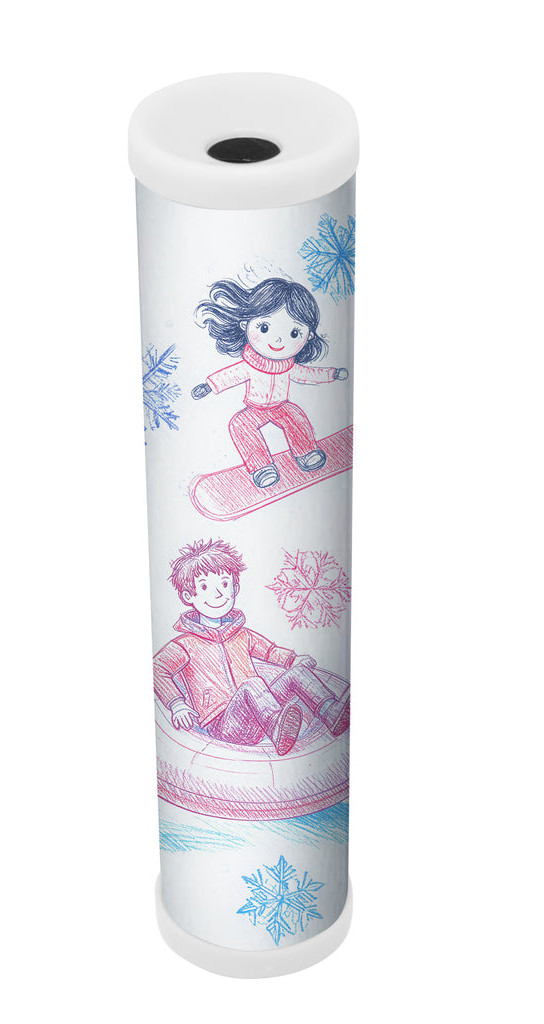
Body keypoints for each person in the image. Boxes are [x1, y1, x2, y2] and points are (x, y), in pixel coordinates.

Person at [153, 539, 350, 756]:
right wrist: (177, 704)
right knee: (252, 684)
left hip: (259, 712)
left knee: (297, 673)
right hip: (224, 723)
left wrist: (291, 660)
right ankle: (277, 729)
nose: (218, 593)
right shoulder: (185, 644)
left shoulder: (242, 634)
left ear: (235, 588)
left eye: (225, 584)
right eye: (205, 587)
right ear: (189, 596)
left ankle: (331, 713)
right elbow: (157, 668)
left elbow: (269, 651)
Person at [192, 279, 349, 489]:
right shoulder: (249, 366)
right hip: (254, 410)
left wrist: (333, 374)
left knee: (297, 418)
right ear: (245, 325)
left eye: (294, 333)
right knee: (239, 425)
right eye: (264, 328)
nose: (278, 341)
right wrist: (209, 386)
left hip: (282, 407)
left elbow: (309, 374)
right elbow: (229, 376)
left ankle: (307, 453)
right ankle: (262, 467)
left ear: (308, 336)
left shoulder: (289, 366)